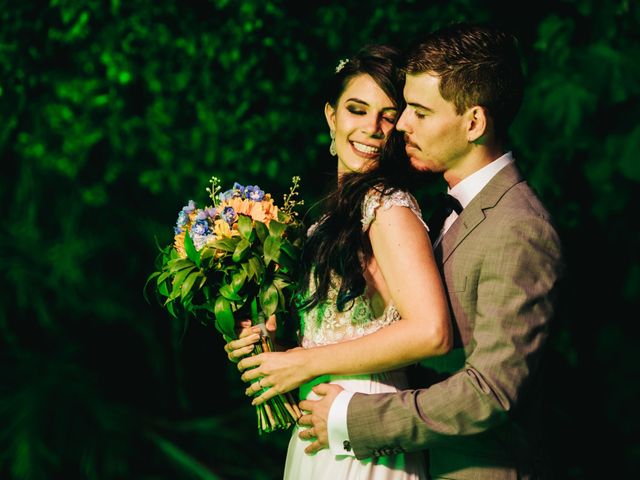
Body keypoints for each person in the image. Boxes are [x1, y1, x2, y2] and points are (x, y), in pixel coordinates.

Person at [294, 23, 565, 480]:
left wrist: (351, 418)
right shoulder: (451, 209)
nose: (399, 125)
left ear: (474, 122)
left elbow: (490, 393)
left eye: (418, 111)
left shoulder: (519, 227)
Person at [224, 44, 452, 479]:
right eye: (357, 109)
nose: (371, 128)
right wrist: (268, 349)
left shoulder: (388, 206)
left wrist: (303, 364)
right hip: (322, 429)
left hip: (365, 426)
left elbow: (431, 330)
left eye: (388, 115)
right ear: (331, 117)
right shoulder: (330, 217)